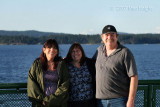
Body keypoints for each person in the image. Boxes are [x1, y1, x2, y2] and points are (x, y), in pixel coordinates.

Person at [93, 25, 138, 107]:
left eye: (112, 35)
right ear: (102, 37)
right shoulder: (99, 51)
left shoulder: (125, 52)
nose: (109, 37)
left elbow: (134, 76)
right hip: (100, 101)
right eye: (107, 35)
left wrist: (131, 100)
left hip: (119, 100)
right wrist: (69, 60)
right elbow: (87, 63)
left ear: (117, 37)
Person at [27, 39, 69, 107]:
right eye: (49, 47)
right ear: (44, 50)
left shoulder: (62, 65)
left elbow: (65, 84)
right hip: (40, 104)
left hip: (58, 103)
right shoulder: (36, 64)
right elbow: (32, 84)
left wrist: (50, 101)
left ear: (57, 51)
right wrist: (43, 101)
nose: (52, 50)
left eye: (55, 48)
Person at [64, 42, 96, 107]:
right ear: (70, 54)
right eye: (73, 51)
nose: (75, 53)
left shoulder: (89, 63)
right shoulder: (66, 65)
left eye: (78, 51)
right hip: (73, 103)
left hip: (90, 102)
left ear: (82, 52)